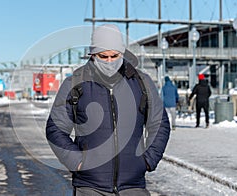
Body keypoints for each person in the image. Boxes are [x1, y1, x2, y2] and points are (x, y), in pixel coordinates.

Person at [46, 24, 170, 196]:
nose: (110, 61)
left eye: (114, 55)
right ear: (92, 54)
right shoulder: (75, 84)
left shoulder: (142, 82)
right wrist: (78, 162)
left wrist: (148, 160)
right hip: (90, 187)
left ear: (122, 52)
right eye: (103, 56)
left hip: (133, 187)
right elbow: (55, 129)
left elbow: (159, 123)